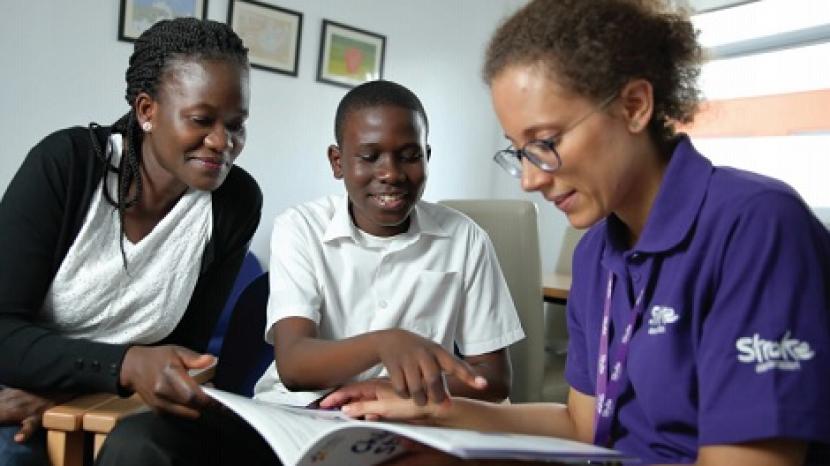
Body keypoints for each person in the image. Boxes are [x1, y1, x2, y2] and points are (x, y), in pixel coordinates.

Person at [321, 1, 830, 465]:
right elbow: (582, 425)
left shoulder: (755, 226)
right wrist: (430, 410)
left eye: (544, 142)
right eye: (519, 151)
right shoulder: (597, 254)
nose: (530, 178)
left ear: (633, 106)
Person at [0, 17, 261, 466]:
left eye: (236, 125)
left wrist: (79, 393)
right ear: (146, 110)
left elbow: (181, 356)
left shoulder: (234, 203)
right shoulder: (67, 165)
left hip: (101, 401)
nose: (223, 142)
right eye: (202, 120)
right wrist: (124, 366)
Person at [253, 79, 526, 409]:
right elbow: (294, 366)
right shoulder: (300, 228)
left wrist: (386, 390)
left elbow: (493, 380)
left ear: (427, 157)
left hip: (409, 415)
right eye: (369, 156)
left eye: (410, 156)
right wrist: (385, 343)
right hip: (305, 410)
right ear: (337, 162)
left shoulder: (466, 239)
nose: (392, 174)